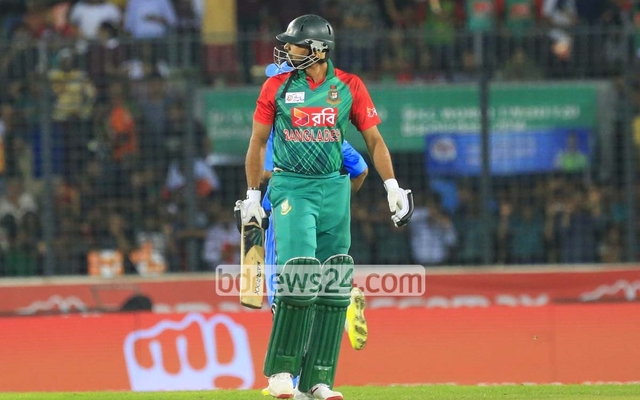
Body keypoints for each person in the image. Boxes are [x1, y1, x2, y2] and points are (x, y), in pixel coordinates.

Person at [235, 14, 414, 400]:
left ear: (317, 50)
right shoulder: (276, 86)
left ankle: (319, 380)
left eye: (295, 45)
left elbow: (375, 142)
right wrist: (252, 196)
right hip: (291, 188)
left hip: (333, 189)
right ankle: (282, 376)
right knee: (298, 276)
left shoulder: (349, 86)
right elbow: (257, 143)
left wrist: (393, 187)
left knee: (333, 282)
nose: (286, 50)